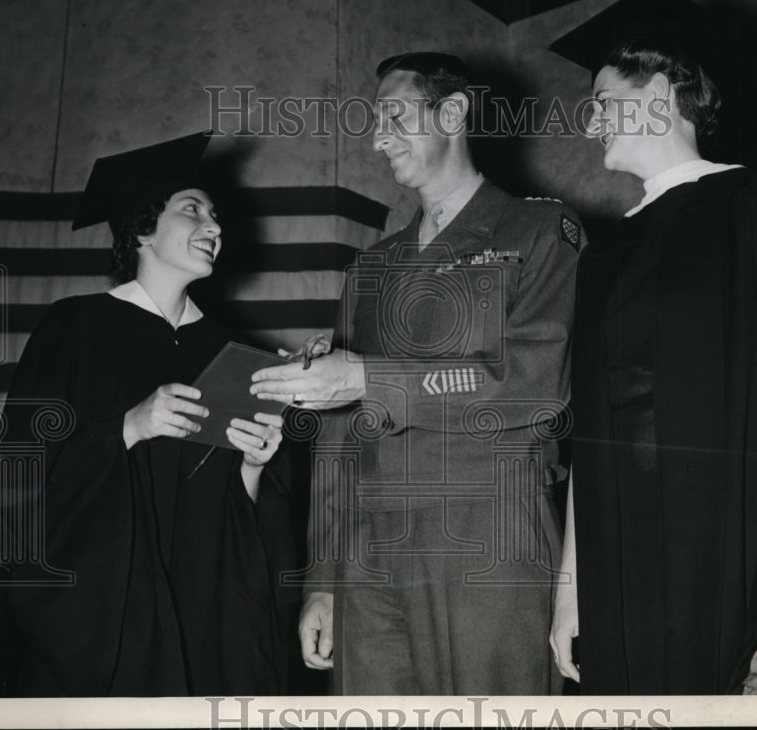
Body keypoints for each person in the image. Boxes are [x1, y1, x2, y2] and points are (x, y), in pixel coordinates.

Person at [547, 0, 757, 695]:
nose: (590, 121)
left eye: (601, 101)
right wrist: (570, 588)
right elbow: (590, 444)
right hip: (620, 565)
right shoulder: (601, 254)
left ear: (659, 94)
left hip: (730, 544)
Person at [250, 52, 584, 694]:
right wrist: (324, 579)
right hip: (369, 555)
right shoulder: (370, 267)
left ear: (453, 113)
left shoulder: (539, 229)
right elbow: (339, 441)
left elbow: (532, 385)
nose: (377, 138)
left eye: (394, 115)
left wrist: (369, 379)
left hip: (487, 537)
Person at [0, 132, 294, 697]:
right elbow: (18, 473)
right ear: (143, 229)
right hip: (105, 612)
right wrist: (128, 428)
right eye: (193, 209)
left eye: (217, 216)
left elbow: (238, 517)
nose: (215, 226)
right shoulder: (74, 327)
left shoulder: (228, 353)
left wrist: (252, 467)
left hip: (203, 613)